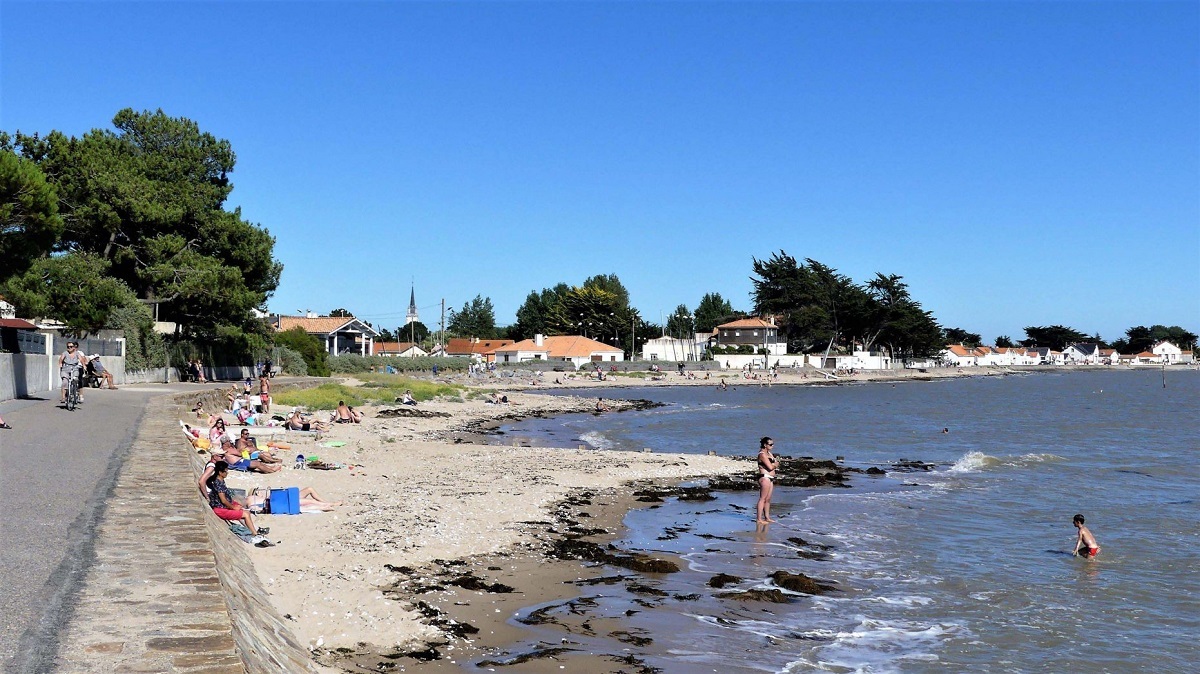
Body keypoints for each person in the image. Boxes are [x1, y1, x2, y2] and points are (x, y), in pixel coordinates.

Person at [206, 461, 271, 544]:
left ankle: (253, 529)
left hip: (221, 506)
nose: (227, 473)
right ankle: (255, 534)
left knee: (242, 510)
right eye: (226, 471)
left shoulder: (219, 480)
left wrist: (234, 505)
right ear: (220, 472)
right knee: (246, 514)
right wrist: (233, 507)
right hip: (220, 509)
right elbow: (223, 500)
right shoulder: (219, 484)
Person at [246, 486, 343, 512]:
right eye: (258, 491)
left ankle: (326, 504)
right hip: (287, 501)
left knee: (309, 490)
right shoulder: (264, 500)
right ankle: (329, 505)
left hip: (289, 497)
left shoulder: (268, 496)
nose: (260, 491)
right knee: (310, 502)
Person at [756, 436, 780, 524]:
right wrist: (776, 464)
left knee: (768, 499)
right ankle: (759, 519)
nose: (772, 446)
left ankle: (767, 517)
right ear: (765, 445)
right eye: (770, 444)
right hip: (764, 477)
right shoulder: (762, 454)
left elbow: (773, 464)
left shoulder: (769, 453)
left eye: (773, 444)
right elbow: (770, 467)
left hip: (770, 478)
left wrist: (775, 464)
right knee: (762, 498)